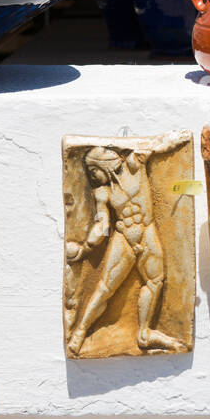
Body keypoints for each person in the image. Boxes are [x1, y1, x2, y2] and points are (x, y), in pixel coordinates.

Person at [65, 145, 184, 355]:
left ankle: (144, 333)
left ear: (102, 164)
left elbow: (154, 147)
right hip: (124, 239)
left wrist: (173, 141)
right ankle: (79, 332)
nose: (92, 177)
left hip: (147, 234)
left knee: (155, 282)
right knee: (105, 288)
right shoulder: (103, 192)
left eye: (93, 171)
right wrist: (85, 249)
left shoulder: (133, 165)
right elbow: (102, 225)